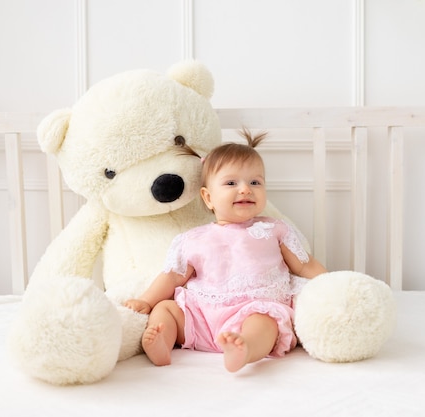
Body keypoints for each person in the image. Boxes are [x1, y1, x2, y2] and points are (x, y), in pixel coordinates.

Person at [124, 130, 327, 372]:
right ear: (208, 197)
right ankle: (161, 342)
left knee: (265, 323)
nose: (245, 189)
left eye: (255, 182)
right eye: (231, 183)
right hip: (199, 315)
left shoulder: (275, 229)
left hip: (252, 309)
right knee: (165, 309)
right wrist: (146, 301)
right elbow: (172, 276)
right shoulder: (192, 239)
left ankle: (246, 348)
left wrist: (331, 283)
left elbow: (303, 265)